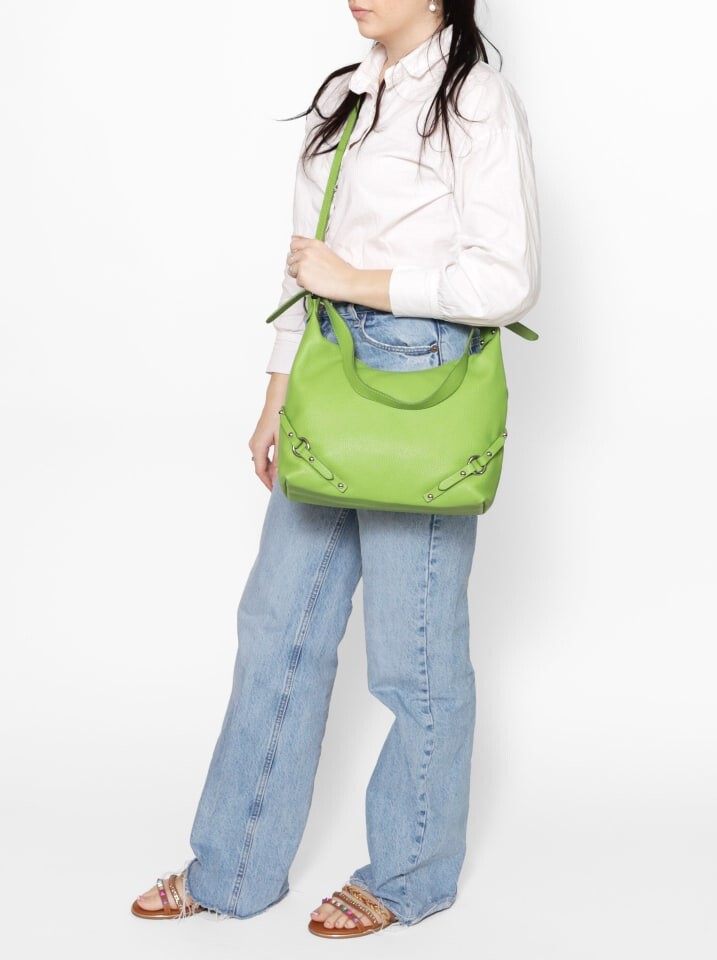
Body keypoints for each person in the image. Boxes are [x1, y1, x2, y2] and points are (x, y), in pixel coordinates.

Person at [130, 0, 540, 939]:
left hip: (422, 385)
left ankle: (408, 876)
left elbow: (507, 277)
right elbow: (301, 262)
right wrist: (277, 392)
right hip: (327, 369)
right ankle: (233, 867)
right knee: (277, 626)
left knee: (413, 654)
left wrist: (357, 282)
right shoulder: (347, 96)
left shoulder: (475, 97)